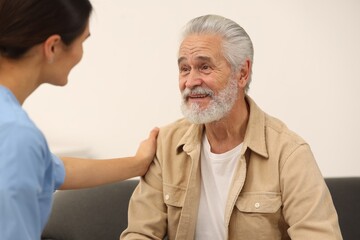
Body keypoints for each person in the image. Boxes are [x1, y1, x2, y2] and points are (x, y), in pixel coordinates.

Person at [121, 14, 342, 240]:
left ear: (242, 73)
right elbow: (140, 233)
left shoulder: (290, 154)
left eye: (204, 67)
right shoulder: (165, 144)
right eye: (184, 69)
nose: (190, 81)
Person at [0, 0, 158, 239]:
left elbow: (51, 169)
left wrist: (138, 163)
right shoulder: (17, 135)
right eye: (83, 41)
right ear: (53, 47)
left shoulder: (15, 135)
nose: (81, 54)